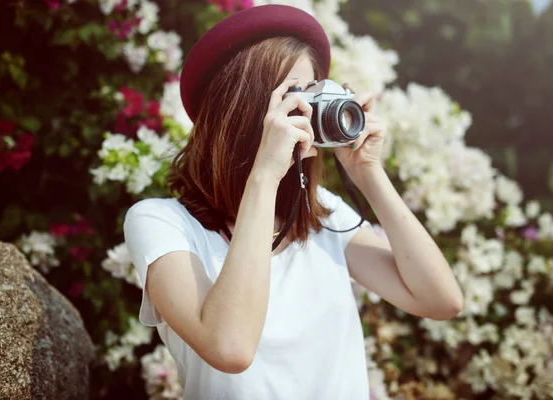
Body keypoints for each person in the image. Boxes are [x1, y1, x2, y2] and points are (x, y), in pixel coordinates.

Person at [123, 4, 464, 400]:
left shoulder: (322, 214)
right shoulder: (161, 223)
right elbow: (230, 348)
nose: (306, 109)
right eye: (292, 95)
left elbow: (441, 300)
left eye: (313, 92)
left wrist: (368, 173)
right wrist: (264, 175)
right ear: (242, 107)